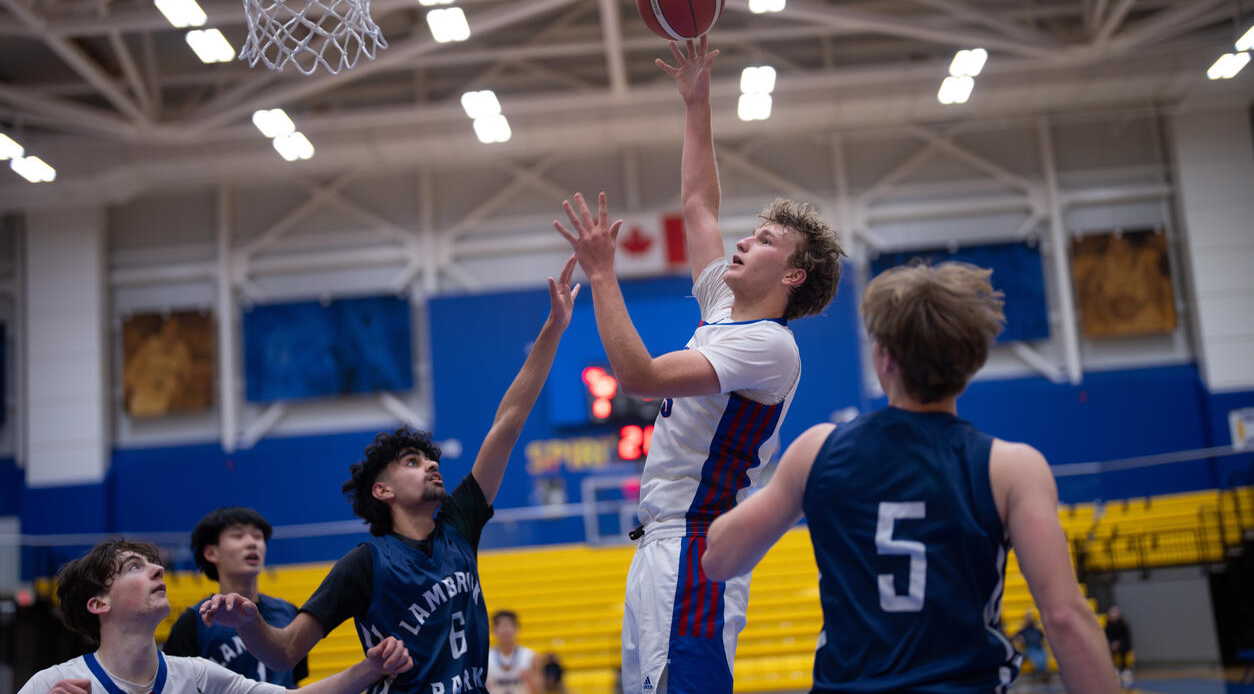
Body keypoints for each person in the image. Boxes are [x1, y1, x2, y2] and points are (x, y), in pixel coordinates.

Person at [554, 34, 844, 694]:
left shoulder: (769, 344)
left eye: (765, 240)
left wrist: (604, 274)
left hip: (694, 545)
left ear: (793, 275)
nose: (743, 240)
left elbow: (640, 377)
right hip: (661, 543)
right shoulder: (722, 305)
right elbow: (698, 206)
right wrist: (697, 101)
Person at [701, 261, 1121, 694]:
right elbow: (1066, 618)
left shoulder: (818, 451)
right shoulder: (1012, 468)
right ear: (970, 360)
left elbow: (719, 559)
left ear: (884, 357)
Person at [202, 258, 580, 694]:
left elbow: (508, 424)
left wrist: (553, 328)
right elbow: (285, 651)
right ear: (382, 490)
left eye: (429, 458)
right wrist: (250, 624)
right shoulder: (365, 565)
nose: (432, 464)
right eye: (412, 462)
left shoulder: (459, 527)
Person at [18, 538, 411, 694]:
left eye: (154, 565)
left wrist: (370, 668)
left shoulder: (196, 676)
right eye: (135, 568)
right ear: (98, 603)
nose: (158, 570)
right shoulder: (51, 685)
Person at [165, 506, 308, 685]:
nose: (252, 543)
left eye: (258, 536)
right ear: (211, 553)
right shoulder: (192, 623)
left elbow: (295, 683)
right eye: (238, 536)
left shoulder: (290, 613)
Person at [487, 610, 542, 694]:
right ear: (493, 630)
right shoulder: (485, 658)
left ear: (517, 629)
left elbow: (540, 691)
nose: (505, 630)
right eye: (501, 626)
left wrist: (529, 681)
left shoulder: (532, 657)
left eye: (508, 625)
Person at [1012, 610, 1050, 682]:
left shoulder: (1037, 629)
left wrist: (1045, 640)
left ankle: (1041, 674)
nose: (1030, 619)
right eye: (1028, 618)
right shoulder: (1023, 630)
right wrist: (1020, 639)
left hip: (1039, 647)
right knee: (1038, 659)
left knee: (1044, 656)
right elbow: (1014, 638)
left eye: (1031, 617)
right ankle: (1040, 675)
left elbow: (1043, 637)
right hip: (1030, 648)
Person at [1104, 605, 1133, 687]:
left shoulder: (1124, 624)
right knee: (1109, 652)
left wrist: (1119, 643)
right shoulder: (1108, 625)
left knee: (1123, 652)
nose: (1113, 615)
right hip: (1112, 646)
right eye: (1112, 613)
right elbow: (1106, 636)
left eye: (1115, 613)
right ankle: (1114, 672)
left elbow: (1126, 638)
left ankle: (1125, 671)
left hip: (1123, 645)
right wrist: (1111, 644)